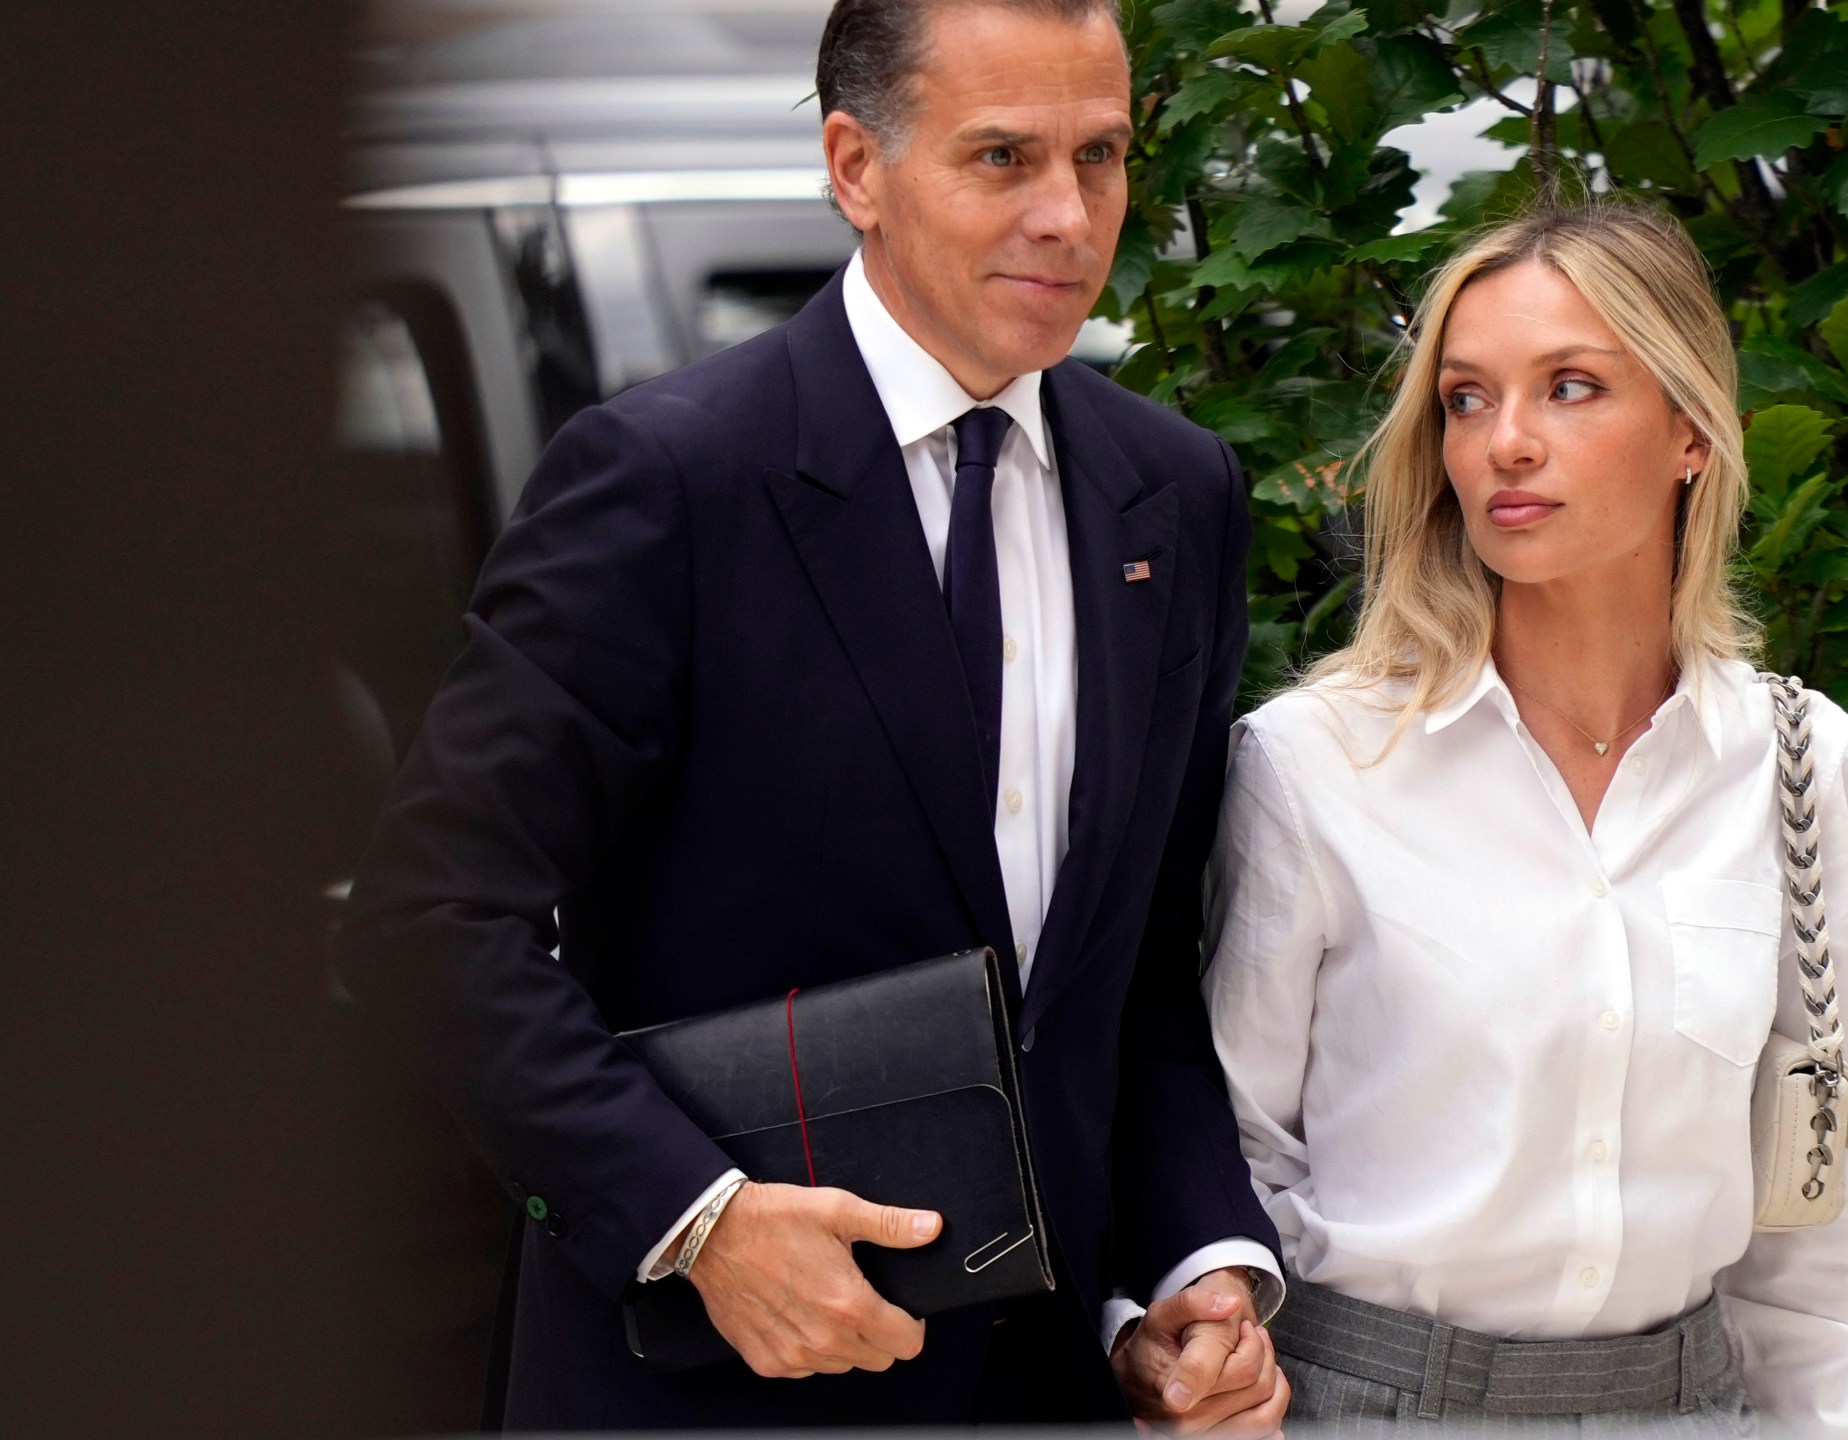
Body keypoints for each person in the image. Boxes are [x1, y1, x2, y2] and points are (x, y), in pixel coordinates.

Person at [334, 0, 1293, 1428]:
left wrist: (1192, 1272)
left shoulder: (1171, 493)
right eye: (1001, 158)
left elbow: (1135, 971)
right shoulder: (667, 485)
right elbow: (428, 923)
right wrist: (698, 1219)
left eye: (1100, 157)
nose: (1066, 214)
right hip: (713, 1389)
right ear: (856, 167)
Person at [1202, 200, 1848, 1440]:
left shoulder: (1796, 762)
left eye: (1570, 388)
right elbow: (1237, 1153)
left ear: (1688, 431)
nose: (1506, 442)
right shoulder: (1319, 763)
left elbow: (1807, 1205)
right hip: (1368, 1404)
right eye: (1467, 399)